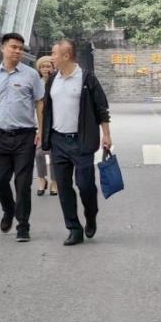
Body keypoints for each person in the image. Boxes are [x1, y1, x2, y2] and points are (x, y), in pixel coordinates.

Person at [0, 32, 44, 243]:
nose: (17, 51)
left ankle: (23, 225)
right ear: (3, 48)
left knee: (23, 184)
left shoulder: (31, 75)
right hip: (1, 136)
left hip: (25, 136)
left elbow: (40, 103)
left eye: (20, 48)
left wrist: (41, 130)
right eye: (13, 47)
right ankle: (8, 209)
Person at [43, 39, 113, 246]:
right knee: (64, 187)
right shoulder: (53, 79)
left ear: (66, 56)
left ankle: (91, 215)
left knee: (85, 185)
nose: (51, 57)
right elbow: (47, 109)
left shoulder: (86, 78)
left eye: (54, 53)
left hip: (81, 141)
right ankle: (74, 228)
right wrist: (43, 133)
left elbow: (101, 108)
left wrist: (106, 135)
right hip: (58, 141)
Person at [34, 56, 58, 197]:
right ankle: (42, 178)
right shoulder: (36, 84)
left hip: (55, 123)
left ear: (53, 68)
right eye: (42, 66)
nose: (45, 69)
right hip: (39, 123)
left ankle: (54, 181)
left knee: (54, 153)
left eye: (48, 66)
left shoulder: (57, 82)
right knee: (39, 153)